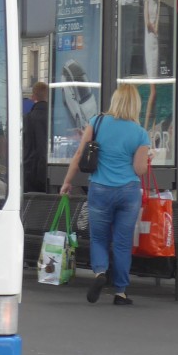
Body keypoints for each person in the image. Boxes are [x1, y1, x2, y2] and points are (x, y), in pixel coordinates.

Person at [60, 83, 151, 306]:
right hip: (128, 192)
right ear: (135, 105)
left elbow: (80, 154)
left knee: (99, 237)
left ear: (115, 100)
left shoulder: (97, 122)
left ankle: (100, 272)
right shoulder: (140, 133)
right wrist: (149, 159)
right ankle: (120, 292)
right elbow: (139, 170)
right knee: (122, 242)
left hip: (99, 189)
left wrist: (67, 182)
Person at [22, 81, 49, 192]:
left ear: (33, 97)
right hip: (48, 172)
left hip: (30, 171)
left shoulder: (27, 118)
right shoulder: (53, 117)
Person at [143, 0, 160, 130]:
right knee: (153, 90)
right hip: (151, 40)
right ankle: (146, 126)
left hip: (154, 41)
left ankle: (152, 125)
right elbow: (147, 21)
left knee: (155, 91)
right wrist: (155, 29)